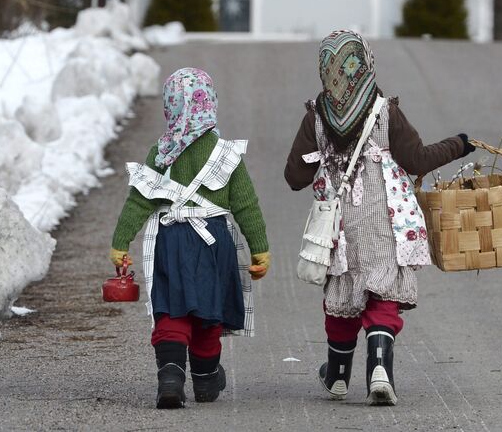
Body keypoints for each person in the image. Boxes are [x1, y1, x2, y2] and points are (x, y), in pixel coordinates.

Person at [284, 30, 475, 405]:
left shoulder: (316, 119)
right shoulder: (386, 111)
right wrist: (459, 143)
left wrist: (322, 160)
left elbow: (295, 177)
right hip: (386, 219)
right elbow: (418, 159)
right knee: (382, 291)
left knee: (342, 291)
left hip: (341, 226)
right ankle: (380, 369)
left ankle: (338, 374)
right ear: (366, 64)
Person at [110, 67, 269, 409]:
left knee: (171, 306)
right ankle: (205, 378)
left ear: (170, 109)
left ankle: (170, 376)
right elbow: (246, 205)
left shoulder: (161, 153)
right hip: (214, 243)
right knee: (208, 309)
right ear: (209, 104)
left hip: (172, 240)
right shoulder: (225, 154)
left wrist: (121, 243)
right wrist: (260, 249)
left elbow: (139, 200)